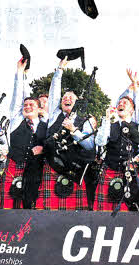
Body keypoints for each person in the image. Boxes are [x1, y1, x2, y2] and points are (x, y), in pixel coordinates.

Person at [38, 57, 95, 211]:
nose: (66, 99)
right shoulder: (55, 114)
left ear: (77, 102)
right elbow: (54, 92)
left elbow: (90, 146)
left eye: (71, 97)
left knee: (73, 214)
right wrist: (59, 69)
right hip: (52, 166)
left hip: (73, 171)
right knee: (47, 212)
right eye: (64, 97)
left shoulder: (85, 121)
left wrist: (74, 131)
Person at [94, 90, 139, 212]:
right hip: (109, 171)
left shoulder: (138, 127)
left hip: (129, 174)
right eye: (119, 102)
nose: (121, 104)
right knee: (103, 212)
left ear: (132, 110)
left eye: (125, 103)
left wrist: (137, 159)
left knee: (126, 213)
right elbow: (100, 142)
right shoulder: (110, 125)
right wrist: (106, 120)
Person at [2, 58, 46, 209]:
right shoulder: (16, 121)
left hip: (37, 171)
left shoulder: (46, 126)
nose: (27, 106)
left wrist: (44, 148)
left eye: (31, 105)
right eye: (25, 105)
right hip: (16, 165)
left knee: (31, 209)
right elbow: (17, 95)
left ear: (40, 109)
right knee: (9, 208)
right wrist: (20, 72)